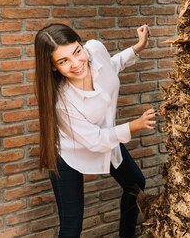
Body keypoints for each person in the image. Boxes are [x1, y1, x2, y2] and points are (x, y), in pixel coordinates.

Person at [34, 23, 157, 238]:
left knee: (135, 184)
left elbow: (109, 67)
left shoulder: (95, 49)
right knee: (72, 227)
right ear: (53, 66)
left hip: (106, 138)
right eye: (63, 61)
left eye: (77, 51)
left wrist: (138, 47)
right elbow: (95, 140)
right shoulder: (62, 101)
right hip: (70, 153)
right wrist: (134, 125)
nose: (77, 64)